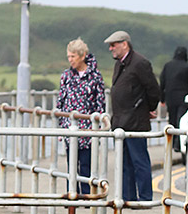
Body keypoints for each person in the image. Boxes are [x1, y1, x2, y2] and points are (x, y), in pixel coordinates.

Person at [104, 30, 160, 202]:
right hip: (120, 120)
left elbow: (153, 89)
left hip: (135, 121)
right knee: (124, 163)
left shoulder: (140, 63)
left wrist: (148, 108)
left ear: (124, 44)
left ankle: (145, 197)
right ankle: (128, 197)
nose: (111, 49)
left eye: (113, 45)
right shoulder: (119, 64)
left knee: (139, 161)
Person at [56, 38, 105, 194]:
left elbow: (100, 104)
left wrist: (98, 125)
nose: (70, 60)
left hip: (88, 129)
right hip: (70, 127)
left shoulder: (96, 77)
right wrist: (60, 125)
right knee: (71, 163)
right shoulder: (66, 76)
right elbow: (61, 101)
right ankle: (72, 194)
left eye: (73, 57)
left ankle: (86, 195)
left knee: (86, 164)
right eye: (68, 57)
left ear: (82, 55)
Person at [159, 46, 188, 153]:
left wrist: (162, 99)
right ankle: (178, 144)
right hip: (183, 97)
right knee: (181, 120)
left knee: (172, 120)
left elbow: (162, 83)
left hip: (170, 97)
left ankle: (171, 143)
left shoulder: (167, 66)